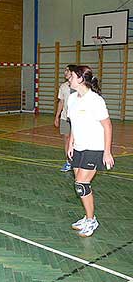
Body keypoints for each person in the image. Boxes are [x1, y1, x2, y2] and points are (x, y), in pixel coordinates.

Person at [67, 65, 114, 237]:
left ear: (80, 79)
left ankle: (91, 220)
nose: (68, 79)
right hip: (79, 147)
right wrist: (71, 143)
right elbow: (74, 123)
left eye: (71, 76)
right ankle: (87, 218)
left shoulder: (95, 100)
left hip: (94, 148)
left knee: (81, 184)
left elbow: (107, 126)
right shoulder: (72, 99)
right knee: (80, 185)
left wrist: (107, 151)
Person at [54, 64, 76, 172]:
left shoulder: (79, 86)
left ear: (73, 72)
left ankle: (77, 161)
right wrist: (57, 116)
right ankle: (68, 162)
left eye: (67, 70)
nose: (65, 72)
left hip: (77, 119)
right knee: (66, 139)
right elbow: (61, 102)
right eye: (65, 70)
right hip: (65, 118)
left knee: (77, 141)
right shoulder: (63, 86)